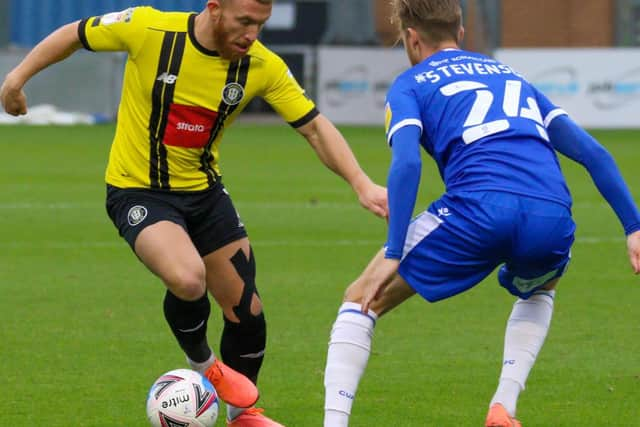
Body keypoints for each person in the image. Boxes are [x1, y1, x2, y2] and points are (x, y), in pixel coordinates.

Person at [0, 1, 387, 426]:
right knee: (187, 279)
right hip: (137, 190)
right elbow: (74, 33)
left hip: (204, 194)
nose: (252, 34)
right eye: (244, 22)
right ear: (215, 9)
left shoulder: (261, 66)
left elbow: (313, 126)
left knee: (247, 309)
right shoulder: (149, 29)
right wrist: (15, 80)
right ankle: (204, 366)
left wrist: (361, 183)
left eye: (260, 24)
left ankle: (243, 414)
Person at [321, 1, 640, 426]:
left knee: (361, 299)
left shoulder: (410, 84)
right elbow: (592, 153)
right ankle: (503, 405)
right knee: (542, 286)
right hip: (552, 212)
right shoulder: (511, 76)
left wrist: (395, 250)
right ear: (462, 32)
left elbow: (408, 163)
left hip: (478, 207)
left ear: (412, 38)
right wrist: (634, 226)